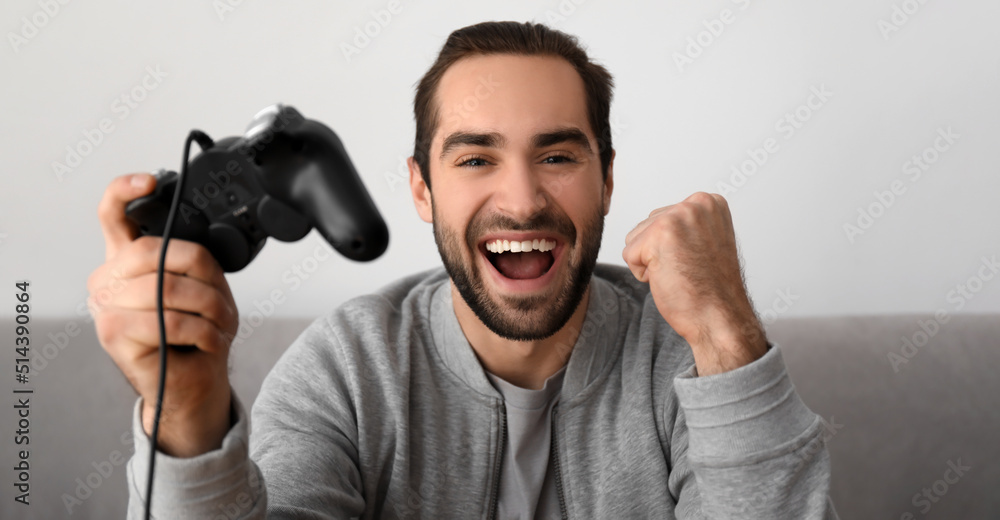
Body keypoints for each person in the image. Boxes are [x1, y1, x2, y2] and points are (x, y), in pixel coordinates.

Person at [88, 21, 839, 519]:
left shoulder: (685, 359)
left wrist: (726, 332)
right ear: (422, 188)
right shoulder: (348, 368)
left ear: (606, 179)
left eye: (557, 156)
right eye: (476, 158)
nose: (521, 199)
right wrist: (184, 410)